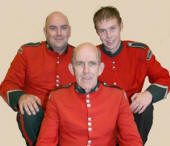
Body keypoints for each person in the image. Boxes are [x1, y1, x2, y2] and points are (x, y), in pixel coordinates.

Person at [36, 42, 143, 146]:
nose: (86, 70)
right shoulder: (57, 97)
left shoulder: (117, 96)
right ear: (71, 69)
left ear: (100, 69)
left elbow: (131, 140)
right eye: (80, 64)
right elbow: (46, 141)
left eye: (92, 64)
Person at [93, 6, 170, 145]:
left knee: (146, 107)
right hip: (100, 118)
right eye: (103, 31)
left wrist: (149, 94)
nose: (109, 36)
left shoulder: (139, 51)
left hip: (131, 115)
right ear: (96, 31)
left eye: (112, 28)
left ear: (121, 26)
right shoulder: (91, 55)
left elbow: (164, 78)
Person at [0, 11, 75, 146]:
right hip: (37, 119)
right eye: (53, 28)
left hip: (69, 122)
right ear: (45, 31)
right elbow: (8, 84)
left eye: (63, 28)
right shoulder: (28, 52)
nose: (59, 33)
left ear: (69, 31)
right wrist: (21, 97)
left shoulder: (79, 56)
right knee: (28, 110)